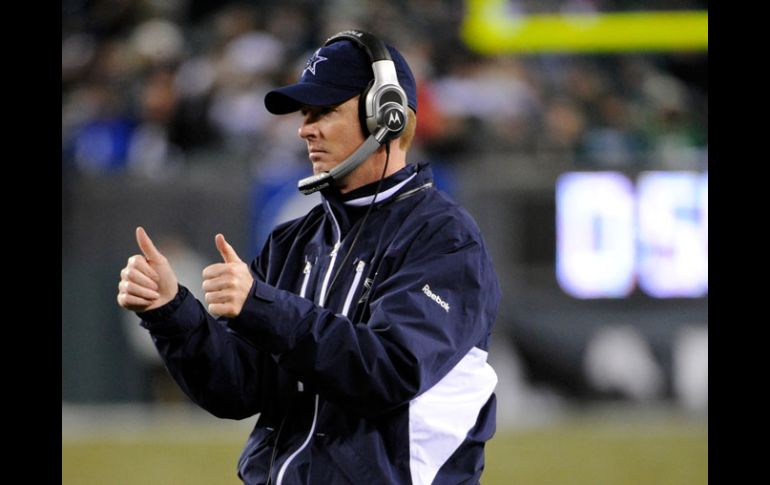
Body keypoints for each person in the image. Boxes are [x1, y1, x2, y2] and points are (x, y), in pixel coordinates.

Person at [117, 30, 501, 485]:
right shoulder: (293, 241)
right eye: (304, 114)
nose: (305, 129)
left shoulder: (444, 238)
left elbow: (391, 370)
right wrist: (171, 312)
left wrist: (262, 306)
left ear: (387, 114)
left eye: (325, 111)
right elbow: (238, 389)